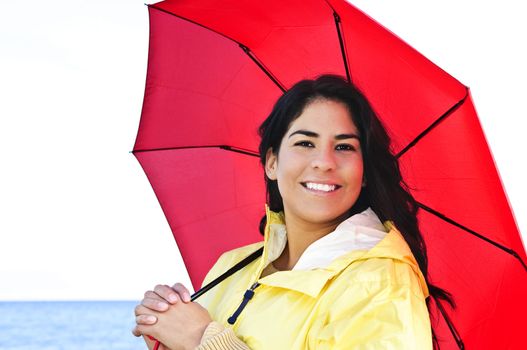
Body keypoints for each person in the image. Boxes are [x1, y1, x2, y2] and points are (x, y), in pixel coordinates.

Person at [132, 75, 453, 349]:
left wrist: (203, 337)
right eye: (305, 143)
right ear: (272, 162)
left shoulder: (379, 282)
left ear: (364, 172)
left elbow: (202, 339)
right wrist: (166, 330)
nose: (324, 161)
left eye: (344, 147)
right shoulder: (231, 266)